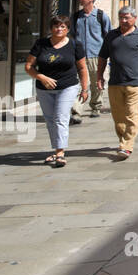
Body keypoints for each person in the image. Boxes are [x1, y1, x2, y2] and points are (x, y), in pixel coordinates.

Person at [25, 16, 88, 167]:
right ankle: (56, 150)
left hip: (67, 86)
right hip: (44, 88)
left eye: (63, 27)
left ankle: (60, 152)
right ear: (51, 28)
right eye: (56, 26)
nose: (59, 29)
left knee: (60, 118)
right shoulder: (41, 44)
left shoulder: (74, 45)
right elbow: (28, 66)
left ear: (67, 29)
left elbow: (82, 68)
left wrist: (85, 89)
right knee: (50, 120)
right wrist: (41, 77)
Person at [97, 7, 138, 160]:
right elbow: (103, 57)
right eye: (121, 17)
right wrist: (99, 77)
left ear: (134, 19)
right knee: (118, 117)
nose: (123, 20)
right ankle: (123, 139)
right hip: (115, 81)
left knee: (132, 115)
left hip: (134, 82)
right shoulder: (111, 36)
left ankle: (127, 145)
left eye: (127, 17)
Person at [70, 0, 111, 122]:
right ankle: (77, 110)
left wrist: (108, 54)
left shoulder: (101, 16)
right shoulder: (76, 16)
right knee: (79, 83)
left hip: (96, 55)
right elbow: (72, 34)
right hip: (79, 56)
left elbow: (108, 36)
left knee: (96, 82)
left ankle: (95, 106)